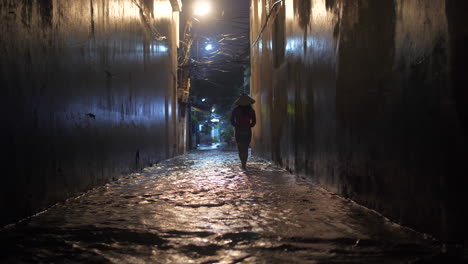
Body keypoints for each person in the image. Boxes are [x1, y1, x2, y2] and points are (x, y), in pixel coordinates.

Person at [230, 94, 256, 170]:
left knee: (240, 148)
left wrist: (237, 125)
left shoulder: (236, 110)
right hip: (247, 131)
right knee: (246, 148)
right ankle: (244, 164)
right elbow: (254, 122)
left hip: (239, 131)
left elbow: (232, 120)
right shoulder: (251, 111)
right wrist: (248, 126)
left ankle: (243, 164)